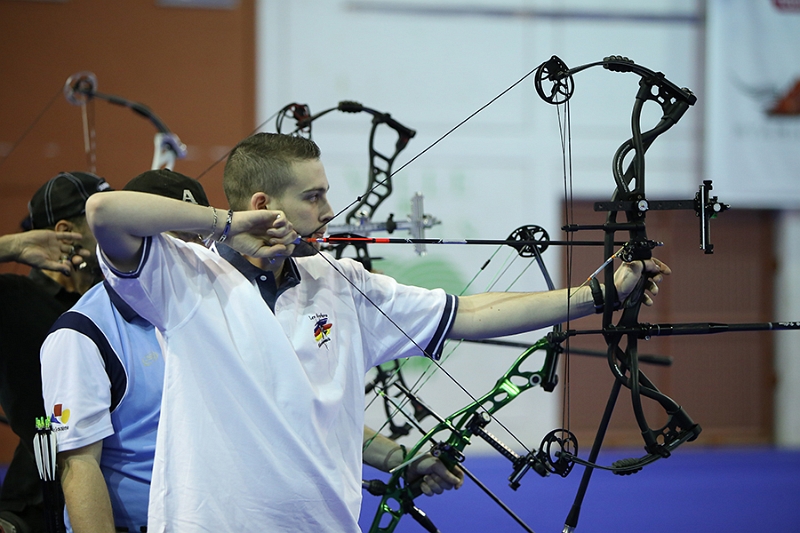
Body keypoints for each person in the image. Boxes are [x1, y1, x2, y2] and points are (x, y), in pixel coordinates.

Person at [85, 133, 668, 532]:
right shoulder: (185, 279)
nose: (328, 210)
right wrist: (228, 223)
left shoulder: (342, 284)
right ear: (264, 205)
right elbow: (104, 212)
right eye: (313, 197)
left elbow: (470, 312)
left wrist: (597, 295)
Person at [41, 170, 460, 533]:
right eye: (179, 236)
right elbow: (78, 467)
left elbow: (294, 413)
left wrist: (403, 459)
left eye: (200, 236)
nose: (195, 249)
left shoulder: (219, 304)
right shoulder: (83, 333)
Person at [0, 171, 108, 533]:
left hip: (109, 494)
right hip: (36, 502)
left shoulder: (111, 296)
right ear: (66, 232)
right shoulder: (12, 299)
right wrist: (13, 247)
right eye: (102, 219)